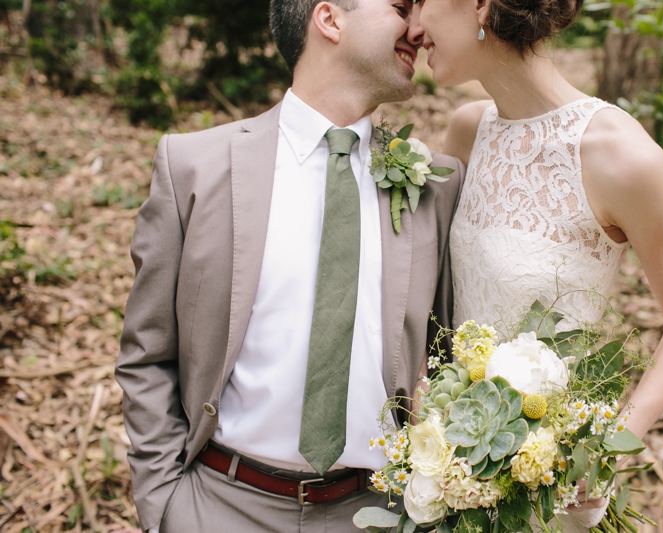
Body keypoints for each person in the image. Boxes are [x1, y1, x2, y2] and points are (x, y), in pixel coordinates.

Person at [115, 1, 465, 532]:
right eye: (399, 6)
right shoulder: (194, 166)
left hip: (379, 512)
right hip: (220, 507)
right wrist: (166, 504)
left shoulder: (435, 185)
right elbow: (148, 352)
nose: (417, 28)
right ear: (330, 19)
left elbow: (450, 353)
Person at [415, 0, 663, 528]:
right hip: (454, 471)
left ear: (480, 6)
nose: (413, 26)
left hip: (550, 485)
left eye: (421, 1)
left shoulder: (622, 157)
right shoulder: (467, 131)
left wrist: (607, 447)